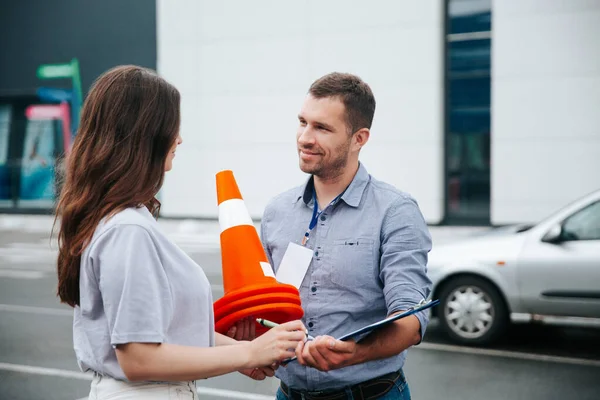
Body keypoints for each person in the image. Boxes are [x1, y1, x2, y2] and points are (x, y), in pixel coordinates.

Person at [55, 65, 307, 400]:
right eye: (173, 126)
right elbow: (139, 358)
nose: (180, 138)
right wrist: (248, 353)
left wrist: (243, 352)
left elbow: (165, 334)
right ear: (148, 135)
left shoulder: (123, 219)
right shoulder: (128, 229)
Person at [260, 72, 433, 399]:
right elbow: (263, 306)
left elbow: (411, 320)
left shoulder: (395, 211)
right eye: (302, 122)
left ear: (359, 138)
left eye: (322, 128)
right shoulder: (276, 211)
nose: (304, 138)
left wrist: (357, 353)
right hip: (288, 393)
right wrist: (253, 349)